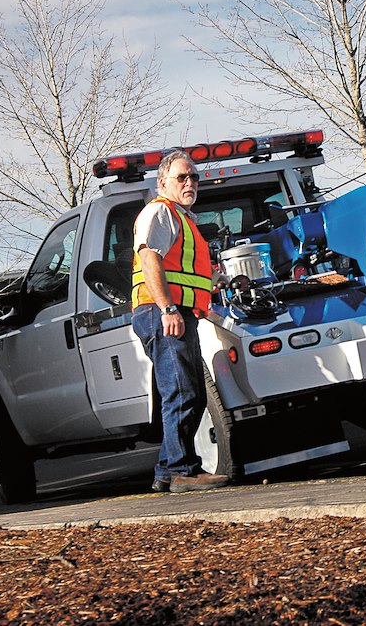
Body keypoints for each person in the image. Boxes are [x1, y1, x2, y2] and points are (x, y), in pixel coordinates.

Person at [131, 150, 231, 494]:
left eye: (194, 177)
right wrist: (168, 309)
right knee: (182, 392)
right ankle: (182, 471)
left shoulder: (183, 218)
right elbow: (149, 260)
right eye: (182, 177)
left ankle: (166, 470)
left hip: (174, 312)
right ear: (163, 183)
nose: (190, 183)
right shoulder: (160, 211)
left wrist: (218, 280)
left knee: (189, 393)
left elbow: (185, 271)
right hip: (162, 313)